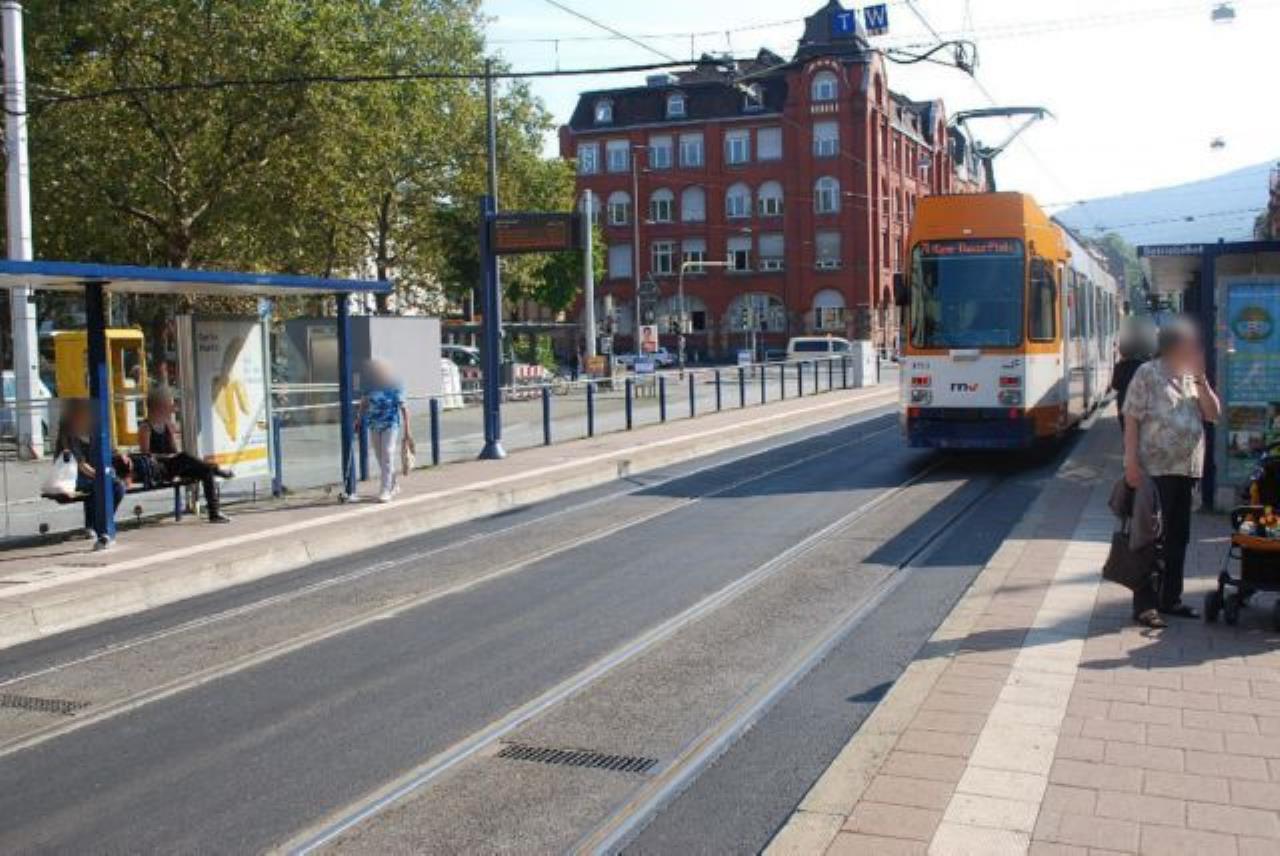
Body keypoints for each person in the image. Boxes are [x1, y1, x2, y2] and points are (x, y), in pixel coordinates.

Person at [1123, 316, 1221, 628]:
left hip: (1187, 470)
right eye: (1191, 343)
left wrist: (1202, 380)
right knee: (1151, 538)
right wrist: (1130, 462)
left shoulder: (1193, 377)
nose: (1196, 349)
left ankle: (1171, 599)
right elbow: (1131, 418)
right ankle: (1145, 605)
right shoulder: (1147, 373)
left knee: (1178, 538)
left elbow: (1213, 415)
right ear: (1173, 345)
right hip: (1155, 470)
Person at [138, 386, 233, 523]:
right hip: (158, 469)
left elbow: (174, 451)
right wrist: (168, 457)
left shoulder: (167, 425)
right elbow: (146, 456)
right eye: (168, 404)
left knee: (205, 471)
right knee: (184, 456)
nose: (171, 407)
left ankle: (214, 512)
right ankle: (216, 469)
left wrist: (173, 453)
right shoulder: (145, 427)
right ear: (158, 406)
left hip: (172, 465)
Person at [55, 398, 126, 540]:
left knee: (117, 486)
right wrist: (101, 476)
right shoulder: (68, 435)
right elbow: (81, 465)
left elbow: (109, 450)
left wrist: (120, 455)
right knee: (98, 485)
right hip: (70, 477)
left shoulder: (93, 431)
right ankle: (94, 525)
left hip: (89, 475)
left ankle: (101, 522)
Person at [357, 359, 412, 503]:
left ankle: (385, 490)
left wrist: (407, 430)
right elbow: (364, 402)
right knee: (379, 456)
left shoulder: (396, 384)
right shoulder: (370, 385)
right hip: (374, 424)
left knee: (387, 453)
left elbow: (404, 408)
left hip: (390, 424)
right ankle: (393, 483)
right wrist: (358, 419)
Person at [1110, 317, 1156, 435]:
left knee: (1128, 432)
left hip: (1124, 402)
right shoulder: (1146, 367)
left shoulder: (1120, 367)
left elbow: (1115, 385)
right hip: (1144, 403)